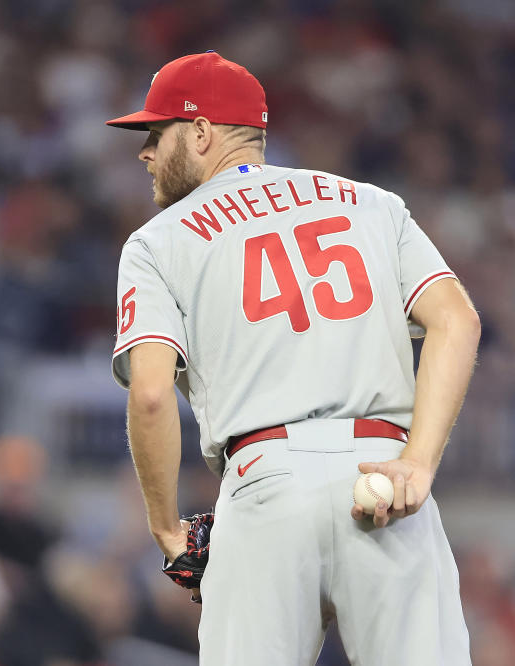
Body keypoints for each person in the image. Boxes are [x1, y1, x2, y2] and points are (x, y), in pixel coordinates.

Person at [105, 51, 479, 665]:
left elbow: (149, 394)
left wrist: (169, 531)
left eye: (156, 132)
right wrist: (418, 461)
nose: (145, 152)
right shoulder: (371, 203)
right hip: (380, 475)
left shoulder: (158, 242)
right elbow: (457, 320)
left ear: (200, 132)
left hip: (264, 486)